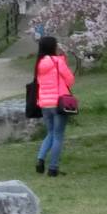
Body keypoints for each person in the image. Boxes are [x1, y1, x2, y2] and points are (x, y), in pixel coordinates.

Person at [34, 36, 76, 177]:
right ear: (53, 47)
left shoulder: (39, 64)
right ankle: (53, 168)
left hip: (45, 104)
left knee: (50, 133)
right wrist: (63, 60)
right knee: (58, 136)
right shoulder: (58, 61)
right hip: (59, 103)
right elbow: (70, 80)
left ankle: (40, 158)